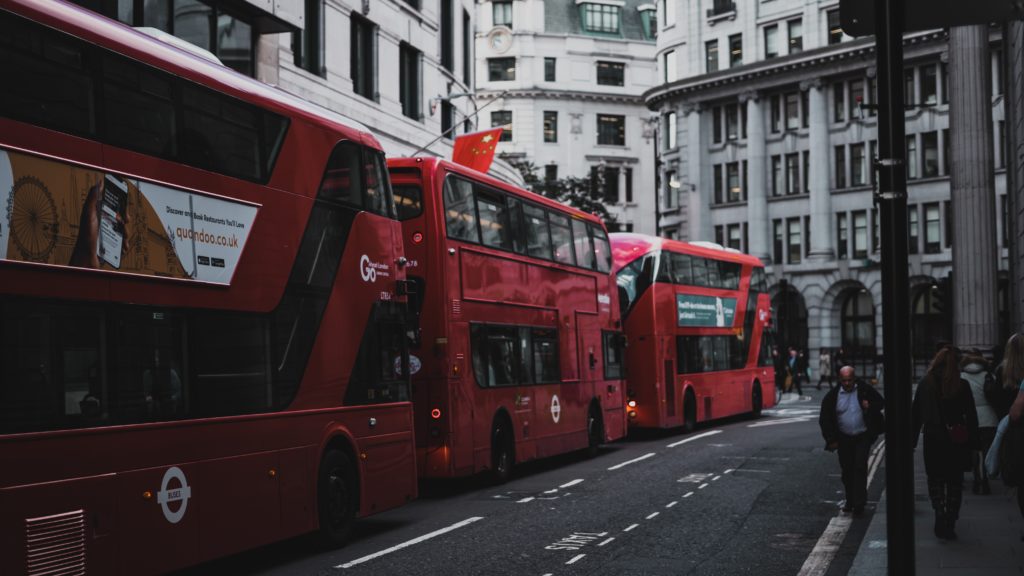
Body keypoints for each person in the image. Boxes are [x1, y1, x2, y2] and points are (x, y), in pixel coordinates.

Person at [912, 346, 979, 540]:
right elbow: (971, 415)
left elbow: (916, 414)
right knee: (954, 482)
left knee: (935, 479)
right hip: (957, 440)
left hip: (933, 439)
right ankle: (950, 519)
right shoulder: (962, 384)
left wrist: (911, 441)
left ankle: (939, 511)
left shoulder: (926, 383)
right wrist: (975, 443)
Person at [819, 365, 885, 516]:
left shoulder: (865, 390)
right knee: (847, 471)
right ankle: (850, 500)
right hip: (844, 439)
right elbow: (825, 419)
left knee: (860, 467)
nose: (847, 383)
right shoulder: (832, 396)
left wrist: (870, 406)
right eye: (844, 380)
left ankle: (859, 504)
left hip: (862, 436)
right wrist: (831, 439)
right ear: (839, 380)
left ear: (854, 378)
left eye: (849, 380)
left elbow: (881, 403)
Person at [960, 351, 998, 495]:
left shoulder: (961, 377)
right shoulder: (989, 376)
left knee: (974, 451)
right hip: (989, 418)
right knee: (985, 451)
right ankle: (984, 477)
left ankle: (978, 478)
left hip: (970, 420)